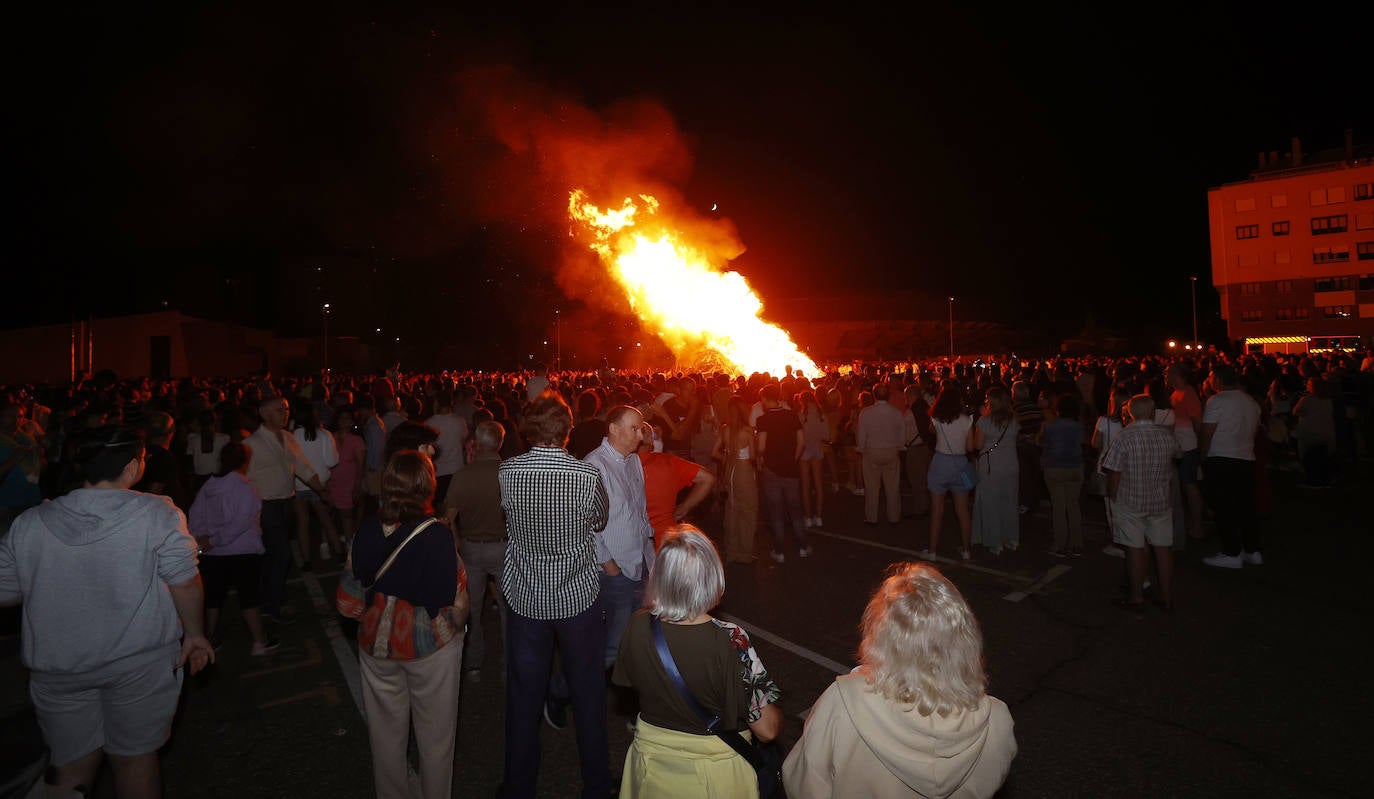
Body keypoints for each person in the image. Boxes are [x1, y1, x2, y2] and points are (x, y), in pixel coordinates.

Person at [0, 426, 215, 798]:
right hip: (138, 662)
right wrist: (194, 634)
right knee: (134, 758)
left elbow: (6, 592)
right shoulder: (156, 513)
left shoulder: (29, 523)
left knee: (70, 763)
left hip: (58, 668)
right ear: (133, 467)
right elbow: (184, 581)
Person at [782, 561, 1016, 798]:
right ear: (963, 635)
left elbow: (803, 786)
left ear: (881, 633)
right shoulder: (995, 720)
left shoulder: (843, 702)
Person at [498, 391, 612, 798]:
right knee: (589, 693)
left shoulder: (508, 472)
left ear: (530, 430)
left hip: (527, 595)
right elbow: (599, 520)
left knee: (523, 697)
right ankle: (597, 785)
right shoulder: (585, 476)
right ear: (567, 430)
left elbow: (508, 518)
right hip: (577, 596)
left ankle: (517, 786)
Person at [612, 525, 783, 797]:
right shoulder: (731, 639)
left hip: (652, 766)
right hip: (713, 774)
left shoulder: (637, 626)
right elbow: (767, 730)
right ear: (712, 577)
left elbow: (633, 685)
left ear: (661, 576)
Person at [337, 449, 468, 799]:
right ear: (428, 487)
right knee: (436, 740)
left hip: (377, 644)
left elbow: (347, 602)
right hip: (429, 646)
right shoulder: (438, 535)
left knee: (385, 739)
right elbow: (458, 601)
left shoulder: (365, 532)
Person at [244, 395, 330, 625]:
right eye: (279, 409)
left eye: (286, 408)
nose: (285, 413)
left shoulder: (289, 438)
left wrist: (321, 491)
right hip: (265, 505)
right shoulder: (251, 444)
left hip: (285, 503)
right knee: (281, 554)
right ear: (263, 413)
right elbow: (243, 479)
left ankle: (266, 601)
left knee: (272, 556)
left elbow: (303, 467)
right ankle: (275, 604)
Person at [188, 441, 278, 655]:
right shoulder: (245, 487)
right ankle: (259, 642)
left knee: (213, 597)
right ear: (245, 462)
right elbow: (242, 522)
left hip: (214, 554)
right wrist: (217, 539)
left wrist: (202, 538)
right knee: (249, 598)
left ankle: (209, 639)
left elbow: (195, 515)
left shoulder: (209, 486)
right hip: (242, 552)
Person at [584, 406, 656, 669]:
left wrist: (651, 548)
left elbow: (639, 509)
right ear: (614, 429)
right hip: (617, 570)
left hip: (642, 564)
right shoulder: (593, 466)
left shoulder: (633, 460)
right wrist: (610, 568)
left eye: (641, 428)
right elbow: (586, 525)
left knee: (640, 641)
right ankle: (561, 692)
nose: (641, 435)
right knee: (613, 647)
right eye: (634, 428)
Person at [1101, 394, 1181, 611]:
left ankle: (1136, 597)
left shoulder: (1124, 436)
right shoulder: (1166, 436)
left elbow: (1114, 471)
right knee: (1163, 549)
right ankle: (1165, 596)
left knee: (1135, 549)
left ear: (1130, 413)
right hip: (1159, 500)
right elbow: (1177, 455)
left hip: (1131, 500)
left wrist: (1112, 495)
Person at [443, 419, 508, 683]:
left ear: (478, 443)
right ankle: (508, 664)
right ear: (500, 443)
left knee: (473, 608)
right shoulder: (508, 473)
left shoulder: (463, 475)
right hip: (504, 547)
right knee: (508, 610)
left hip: (472, 549)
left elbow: (447, 518)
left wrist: (457, 540)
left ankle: (474, 663)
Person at [1200, 364, 1264, 569]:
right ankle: (1252, 549)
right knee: (1246, 506)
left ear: (1217, 380)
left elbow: (1208, 431)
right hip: (1245, 457)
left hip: (1222, 457)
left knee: (1224, 506)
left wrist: (1203, 456)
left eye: (1211, 377)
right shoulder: (1251, 401)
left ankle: (1231, 552)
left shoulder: (1217, 400)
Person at [755, 384, 810, 563]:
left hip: (771, 470)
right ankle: (802, 547)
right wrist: (793, 459)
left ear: (764, 399)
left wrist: (760, 458)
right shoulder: (792, 416)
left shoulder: (763, 420)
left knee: (776, 511)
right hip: (791, 469)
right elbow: (802, 442)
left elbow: (761, 447)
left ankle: (779, 551)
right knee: (795, 509)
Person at [637, 422, 715, 546]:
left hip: (632, 543)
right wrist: (683, 508)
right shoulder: (668, 463)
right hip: (665, 540)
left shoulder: (619, 464)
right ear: (651, 440)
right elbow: (708, 478)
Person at [925, 383, 974, 560]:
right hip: (960, 463)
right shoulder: (967, 420)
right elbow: (970, 447)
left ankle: (932, 551)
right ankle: (967, 550)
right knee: (962, 510)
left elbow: (932, 431)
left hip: (940, 462)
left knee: (937, 510)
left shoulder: (936, 418)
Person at [291, 401, 342, 568]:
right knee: (326, 521)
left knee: (302, 523)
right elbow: (332, 461)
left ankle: (306, 560)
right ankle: (340, 554)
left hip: (299, 484)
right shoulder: (325, 434)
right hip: (320, 484)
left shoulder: (292, 436)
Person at [969, 386, 1020, 555]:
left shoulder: (984, 421)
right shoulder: (1014, 419)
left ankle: (994, 541)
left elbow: (977, 445)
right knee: (1009, 501)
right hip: (1011, 463)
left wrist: (982, 418)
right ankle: (1011, 538)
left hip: (991, 465)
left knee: (990, 502)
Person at [712, 395, 759, 564]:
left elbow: (714, 452)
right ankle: (745, 553)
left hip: (730, 471)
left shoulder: (725, 429)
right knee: (748, 510)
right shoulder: (747, 431)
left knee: (732, 510)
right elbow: (753, 455)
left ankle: (732, 551)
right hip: (744, 470)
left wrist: (728, 457)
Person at [1040, 393, 1085, 558]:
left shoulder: (1050, 426)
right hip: (1075, 466)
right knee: (1073, 506)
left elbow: (1043, 442)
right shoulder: (1078, 426)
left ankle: (1060, 545)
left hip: (1054, 467)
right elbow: (1081, 443)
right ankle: (1076, 544)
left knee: (1059, 507)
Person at [855, 382, 906, 527]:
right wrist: (899, 446)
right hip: (891, 451)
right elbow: (902, 435)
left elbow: (861, 435)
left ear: (874, 395)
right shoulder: (896, 412)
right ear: (888, 395)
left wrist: (861, 448)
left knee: (872, 487)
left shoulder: (866, 412)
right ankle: (894, 516)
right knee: (892, 487)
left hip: (872, 451)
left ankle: (872, 518)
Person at [327, 404, 367, 545]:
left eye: (347, 418)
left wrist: (357, 485)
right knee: (329, 515)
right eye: (341, 418)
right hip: (332, 482)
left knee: (347, 516)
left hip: (349, 483)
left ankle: (350, 547)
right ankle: (328, 543)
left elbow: (361, 465)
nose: (344, 421)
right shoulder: (331, 438)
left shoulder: (356, 440)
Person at [134, 411, 187, 511]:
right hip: (159, 514)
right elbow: (153, 492)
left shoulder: (140, 451)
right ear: (172, 430)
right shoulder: (164, 457)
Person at [797, 390, 828, 527]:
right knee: (818, 484)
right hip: (817, 449)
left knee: (805, 485)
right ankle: (819, 516)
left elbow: (798, 437)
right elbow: (826, 436)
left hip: (804, 451)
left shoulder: (800, 416)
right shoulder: (821, 415)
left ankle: (808, 517)